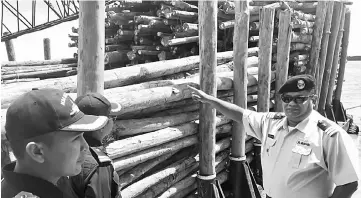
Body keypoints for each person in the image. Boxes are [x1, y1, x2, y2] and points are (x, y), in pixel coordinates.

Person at [188, 74, 359, 198]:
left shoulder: (329, 135)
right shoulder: (271, 123)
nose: (292, 104)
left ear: (312, 99)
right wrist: (211, 101)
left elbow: (349, 183)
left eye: (300, 99)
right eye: (287, 98)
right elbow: (241, 115)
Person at [1, 88, 110, 198]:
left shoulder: (54, 178)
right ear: (37, 151)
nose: (85, 147)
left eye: (83, 135)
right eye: (75, 138)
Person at [58, 92, 122, 198]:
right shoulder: (98, 164)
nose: (113, 123)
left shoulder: (62, 152)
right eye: (112, 118)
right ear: (101, 124)